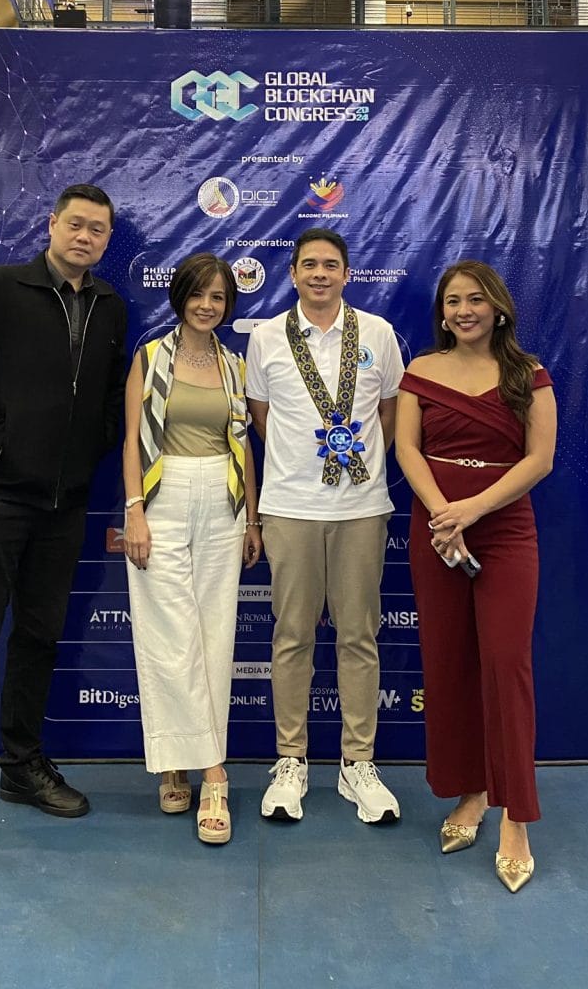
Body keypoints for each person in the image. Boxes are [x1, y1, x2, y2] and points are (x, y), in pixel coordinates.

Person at [0, 184, 127, 875]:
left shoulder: (109, 306)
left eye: (98, 229)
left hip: (64, 507)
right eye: (76, 224)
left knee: (39, 637)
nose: (85, 237)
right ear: (52, 224)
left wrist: (86, 451)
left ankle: (21, 766)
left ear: (107, 239)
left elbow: (108, 397)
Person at [395, 260, 556, 893]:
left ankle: (516, 816)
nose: (463, 310)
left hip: (504, 529)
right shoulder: (420, 370)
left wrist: (472, 510)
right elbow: (407, 448)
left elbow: (540, 459)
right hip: (435, 529)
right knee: (450, 663)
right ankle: (472, 791)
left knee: (506, 664)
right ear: (442, 312)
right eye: (453, 301)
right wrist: (444, 514)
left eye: (475, 300)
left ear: (498, 309)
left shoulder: (527, 374)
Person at [245, 228, 404, 824]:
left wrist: (355, 460)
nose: (319, 273)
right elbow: (262, 417)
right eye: (309, 264)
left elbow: (389, 411)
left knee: (359, 636)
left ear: (346, 273)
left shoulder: (378, 334)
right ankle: (291, 761)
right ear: (292, 273)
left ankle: (357, 763)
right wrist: (301, 464)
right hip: (290, 507)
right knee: (292, 636)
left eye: (331, 264)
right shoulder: (266, 337)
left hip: (361, 508)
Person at [123, 252, 261, 845]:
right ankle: (211, 773)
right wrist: (134, 510)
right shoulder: (150, 357)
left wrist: (253, 517)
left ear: (228, 306)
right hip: (163, 495)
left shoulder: (234, 366)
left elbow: (244, 446)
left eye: (218, 297)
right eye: (198, 294)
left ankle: (188, 764)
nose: (207, 305)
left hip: (223, 499)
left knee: (213, 635)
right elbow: (132, 441)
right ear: (180, 296)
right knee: (169, 633)